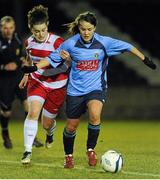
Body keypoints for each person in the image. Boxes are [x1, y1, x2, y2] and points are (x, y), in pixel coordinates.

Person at [21, 11, 156, 168]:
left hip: (96, 88)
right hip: (75, 91)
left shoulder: (104, 42)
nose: (86, 32)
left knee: (95, 114)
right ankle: (68, 156)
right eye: (83, 29)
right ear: (79, 28)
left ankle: (90, 150)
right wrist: (34, 67)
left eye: (89, 29)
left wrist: (145, 59)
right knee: (71, 126)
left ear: (95, 28)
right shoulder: (70, 44)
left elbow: (128, 46)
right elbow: (51, 59)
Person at [19, 5, 69, 164]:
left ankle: (50, 133)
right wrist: (26, 74)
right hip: (37, 81)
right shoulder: (28, 42)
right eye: (36, 31)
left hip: (57, 86)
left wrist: (66, 58)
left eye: (43, 30)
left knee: (46, 123)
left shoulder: (57, 42)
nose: (40, 34)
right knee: (33, 112)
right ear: (30, 28)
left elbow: (68, 64)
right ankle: (27, 151)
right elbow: (29, 59)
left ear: (47, 25)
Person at [0, 16, 43, 149]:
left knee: (29, 107)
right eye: (5, 28)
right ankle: (5, 134)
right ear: (1, 28)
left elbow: (22, 55)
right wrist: (3, 67)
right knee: (7, 112)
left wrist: (23, 61)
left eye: (10, 28)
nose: (8, 30)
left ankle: (32, 137)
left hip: (18, 78)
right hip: (3, 82)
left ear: (14, 28)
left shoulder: (17, 39)